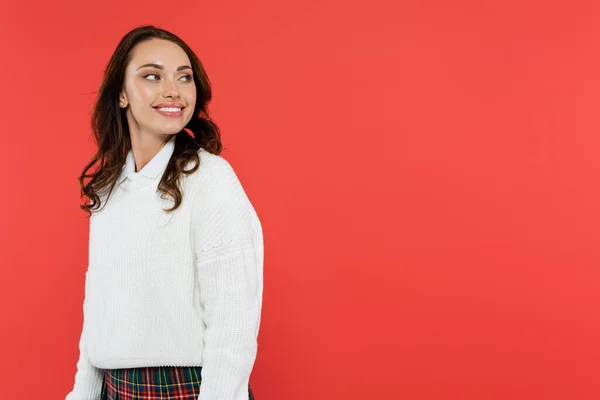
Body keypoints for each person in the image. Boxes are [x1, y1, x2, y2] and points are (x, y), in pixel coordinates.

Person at [65, 25, 263, 400]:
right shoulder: (108, 190)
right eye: (152, 76)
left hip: (186, 390)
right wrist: (83, 393)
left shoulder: (209, 178)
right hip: (114, 389)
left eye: (183, 77)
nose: (172, 90)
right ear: (121, 93)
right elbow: (99, 310)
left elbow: (234, 318)